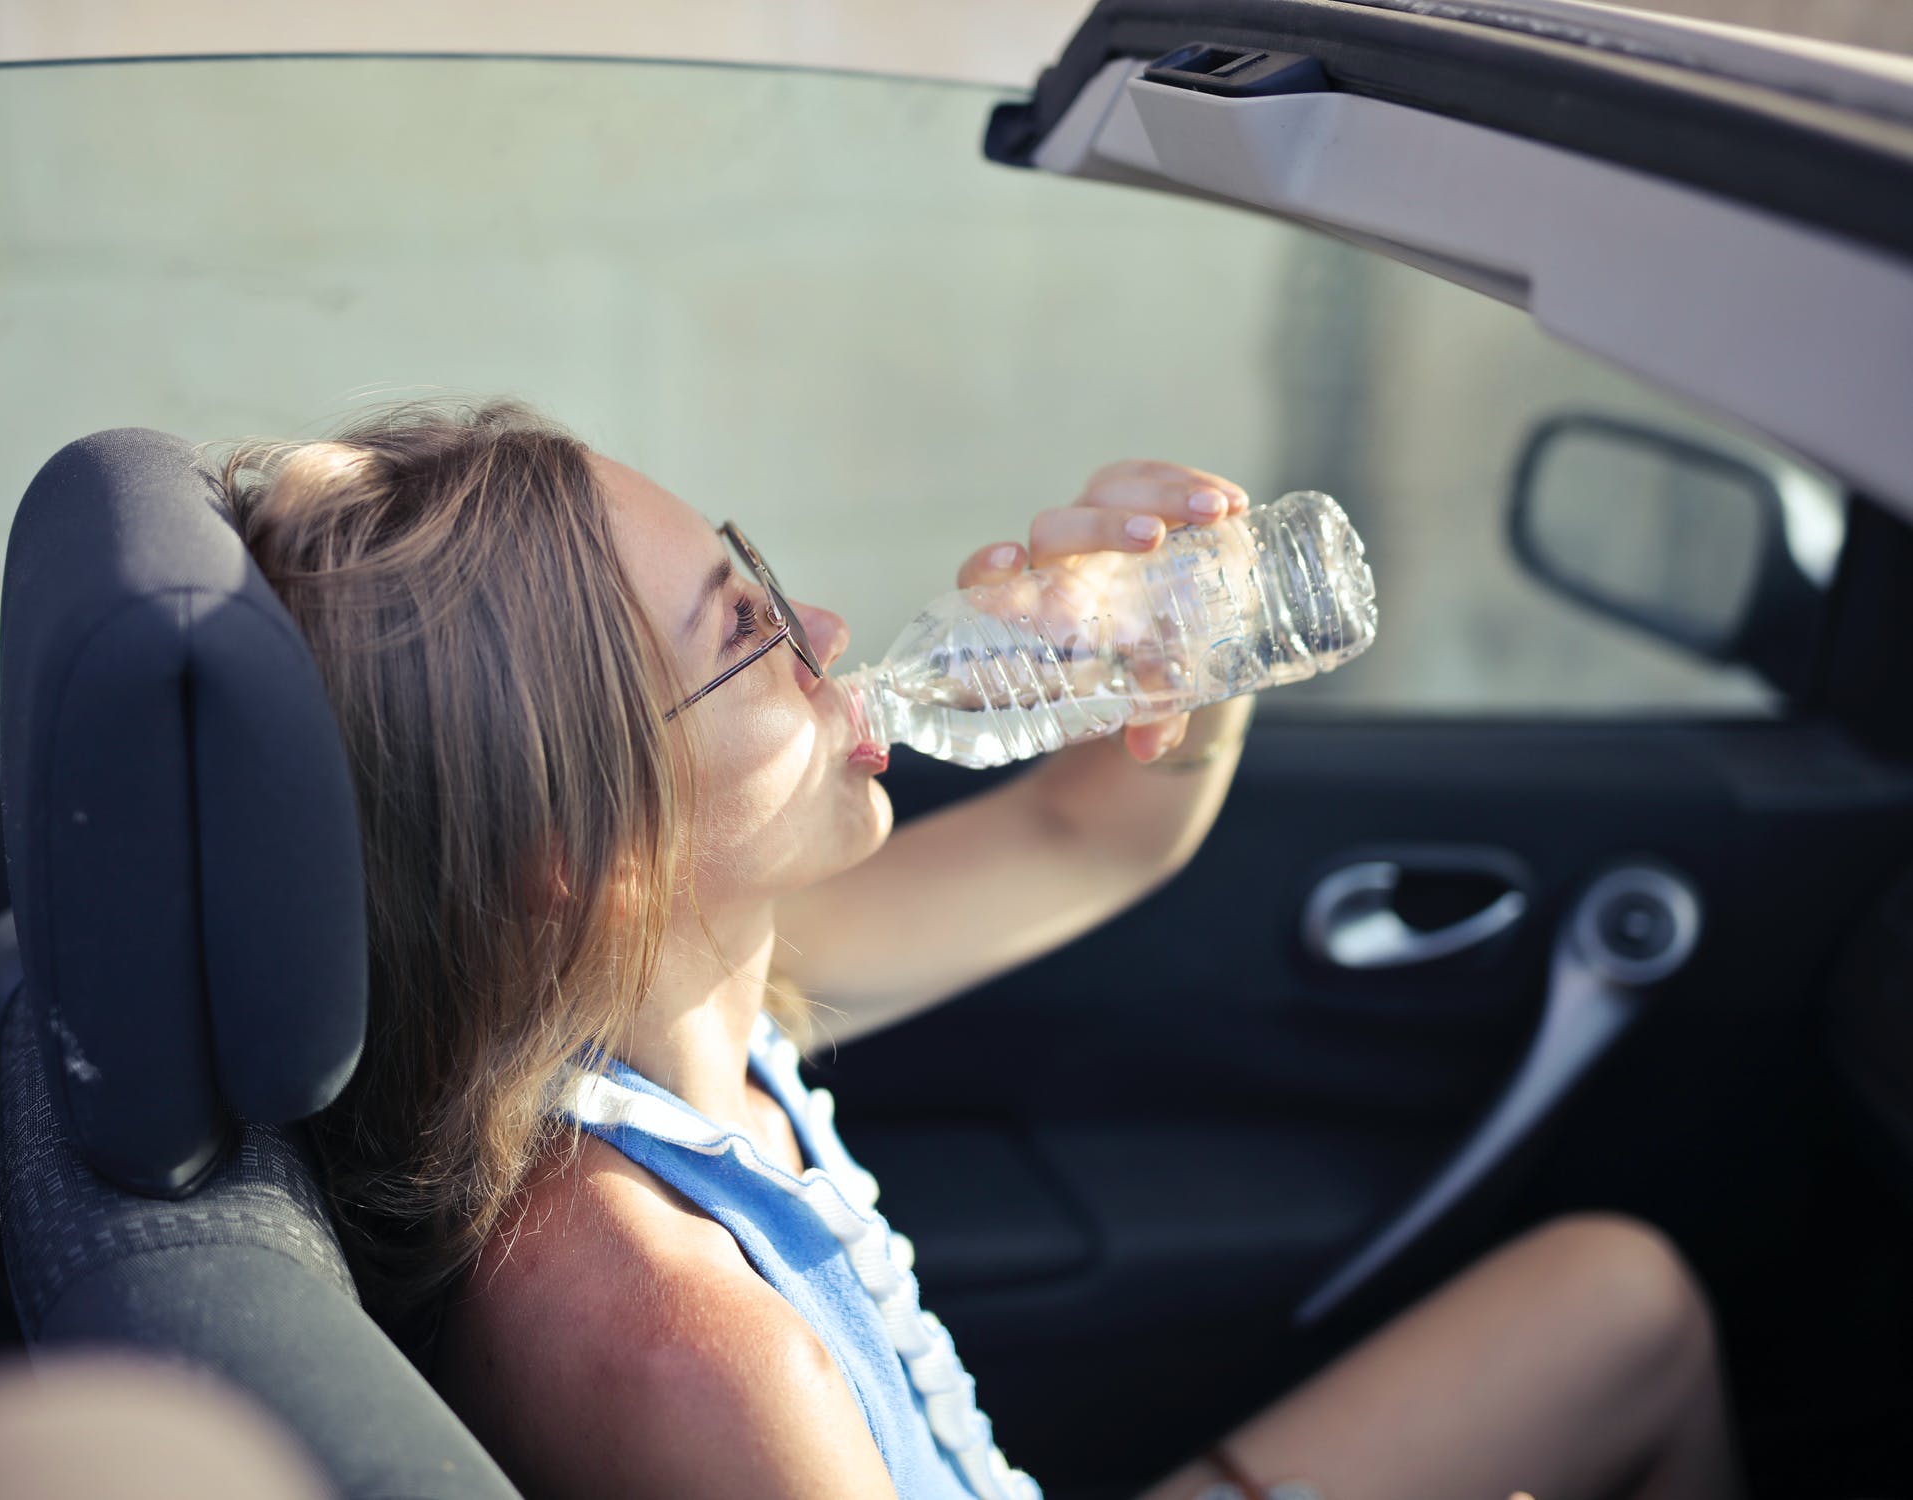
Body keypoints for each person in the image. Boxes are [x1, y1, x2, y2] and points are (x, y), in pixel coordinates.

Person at [218, 399, 1743, 1500]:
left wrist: (1185, 652)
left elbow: (1093, 838)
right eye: (745, 632)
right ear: (584, 849)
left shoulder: (656, 1004)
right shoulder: (672, 1338)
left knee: (1622, 1301)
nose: (822, 628)